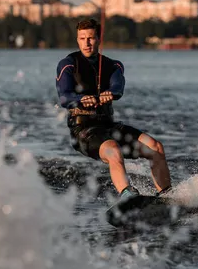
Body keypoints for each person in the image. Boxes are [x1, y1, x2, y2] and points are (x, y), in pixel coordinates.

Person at [55, 18, 172, 202]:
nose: (86, 43)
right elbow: (64, 97)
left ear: (99, 39)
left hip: (108, 126)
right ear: (77, 40)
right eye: (82, 38)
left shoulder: (113, 65)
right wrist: (80, 99)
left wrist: (111, 93)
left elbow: (118, 86)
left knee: (155, 147)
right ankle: (126, 195)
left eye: (91, 38)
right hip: (83, 131)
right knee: (113, 149)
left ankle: (167, 198)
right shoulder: (68, 64)